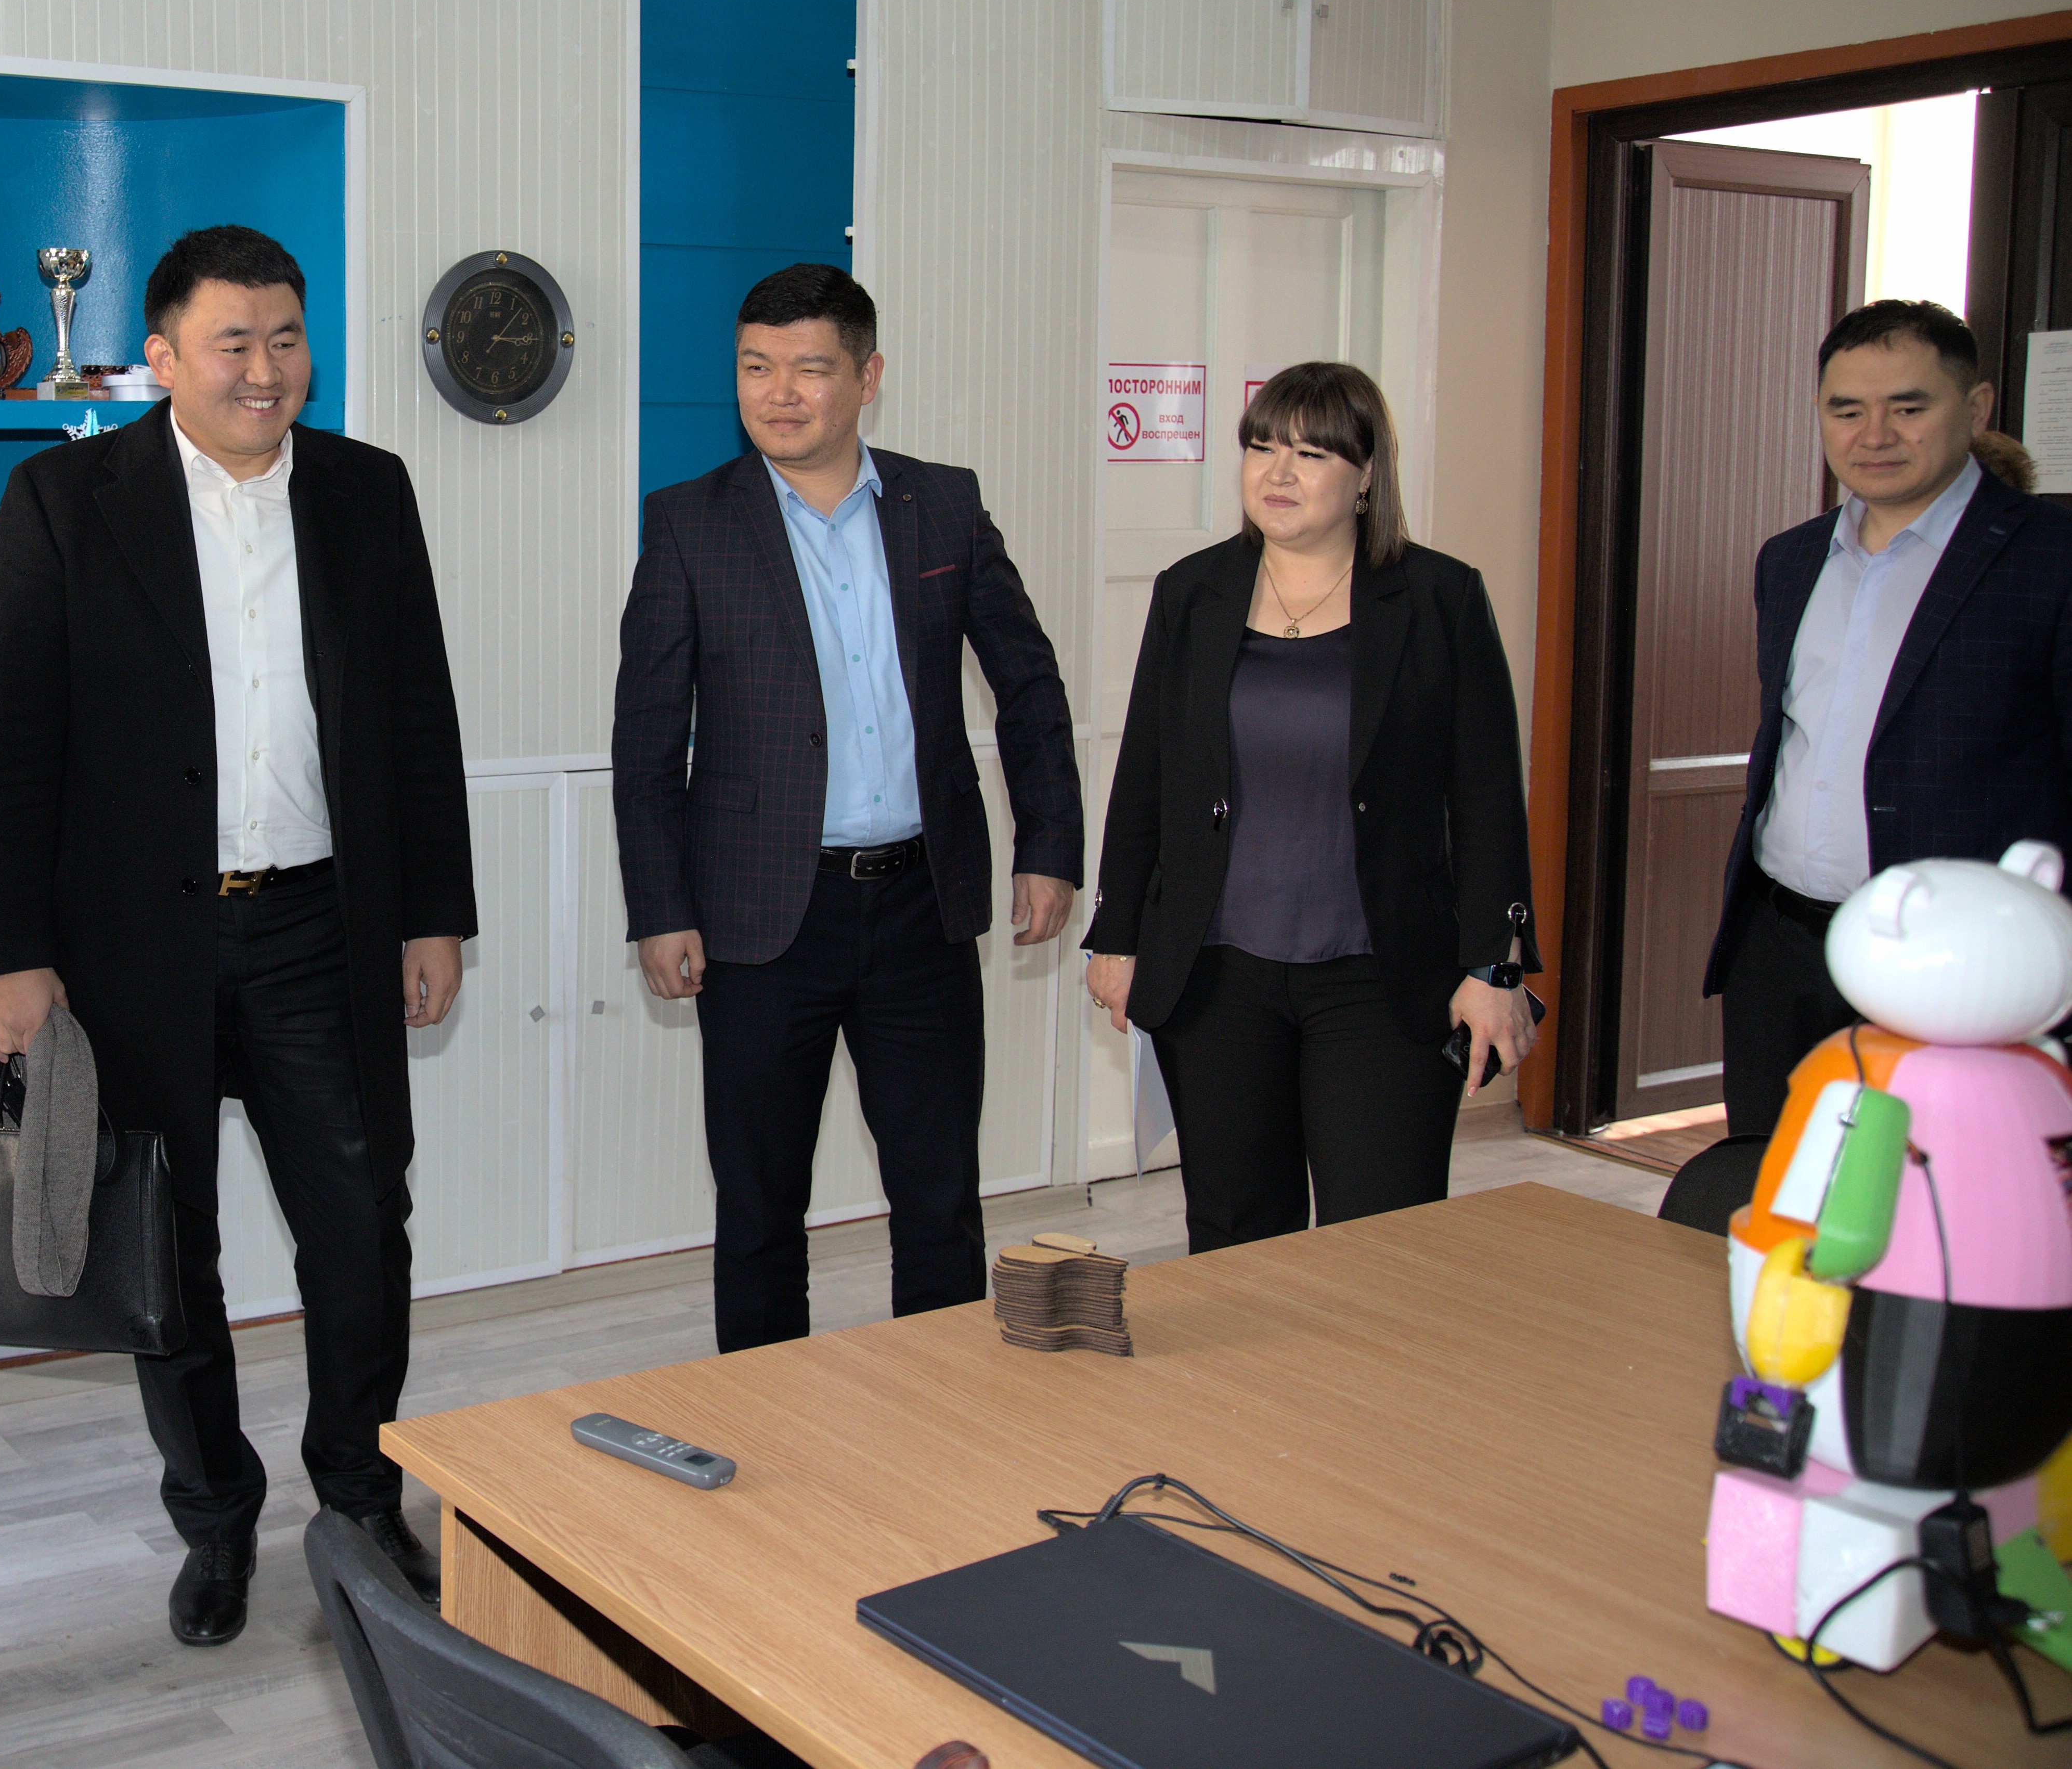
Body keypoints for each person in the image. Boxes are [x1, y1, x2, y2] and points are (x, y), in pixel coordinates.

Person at [0, 225, 473, 1645]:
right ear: (163, 356)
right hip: (138, 945)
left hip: (322, 926)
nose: (266, 369)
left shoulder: (368, 491)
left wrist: (434, 911)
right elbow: (18, 745)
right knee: (163, 1247)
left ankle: (359, 1498)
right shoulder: (65, 498)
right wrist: (14, 953)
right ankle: (213, 1516)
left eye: (286, 338)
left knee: (360, 1231)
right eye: (233, 342)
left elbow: (417, 714)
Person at [613, 263, 1083, 1353]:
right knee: (759, 1206)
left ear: (867, 378)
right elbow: (646, 739)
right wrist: (659, 908)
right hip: (758, 920)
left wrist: (1049, 846)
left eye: (809, 368)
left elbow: (1027, 683)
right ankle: (766, 1422)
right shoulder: (688, 523)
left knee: (938, 1193)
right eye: (755, 368)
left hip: (922, 906)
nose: (778, 393)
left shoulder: (943, 505)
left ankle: (941, 1409)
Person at [1081, 361, 1538, 1254]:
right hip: (1217, 975)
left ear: (1366, 475)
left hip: (1381, 977)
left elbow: (1486, 796)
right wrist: (1117, 934)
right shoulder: (1192, 591)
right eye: (1260, 448)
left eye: (1309, 454)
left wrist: (1495, 965)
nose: (1276, 473)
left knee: (1378, 1241)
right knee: (1235, 1237)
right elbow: (1148, 776)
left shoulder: (1438, 597)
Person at [1705, 299, 2072, 1138]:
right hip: (1782, 949)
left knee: (1938, 1199)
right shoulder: (1789, 559)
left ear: (1974, 408)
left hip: (1960, 971)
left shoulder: (2051, 560)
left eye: (1907, 407)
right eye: (1846, 410)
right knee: (1770, 1183)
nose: (1873, 434)